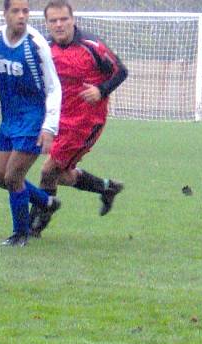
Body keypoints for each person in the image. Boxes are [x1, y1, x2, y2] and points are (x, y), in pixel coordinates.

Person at [29, 0, 128, 237]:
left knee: (48, 170)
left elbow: (121, 71)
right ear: (47, 23)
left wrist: (101, 90)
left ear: (73, 20)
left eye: (63, 19)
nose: (59, 24)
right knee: (61, 172)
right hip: (58, 119)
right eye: (53, 20)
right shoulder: (42, 47)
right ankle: (107, 187)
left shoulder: (92, 46)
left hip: (86, 121)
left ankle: (35, 223)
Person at [0, 0, 62, 247]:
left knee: (13, 176)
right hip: (9, 120)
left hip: (34, 120)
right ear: (5, 14)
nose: (22, 16)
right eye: (16, 11)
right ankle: (47, 202)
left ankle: (20, 233)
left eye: (25, 11)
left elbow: (54, 88)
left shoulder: (36, 45)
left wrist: (49, 127)